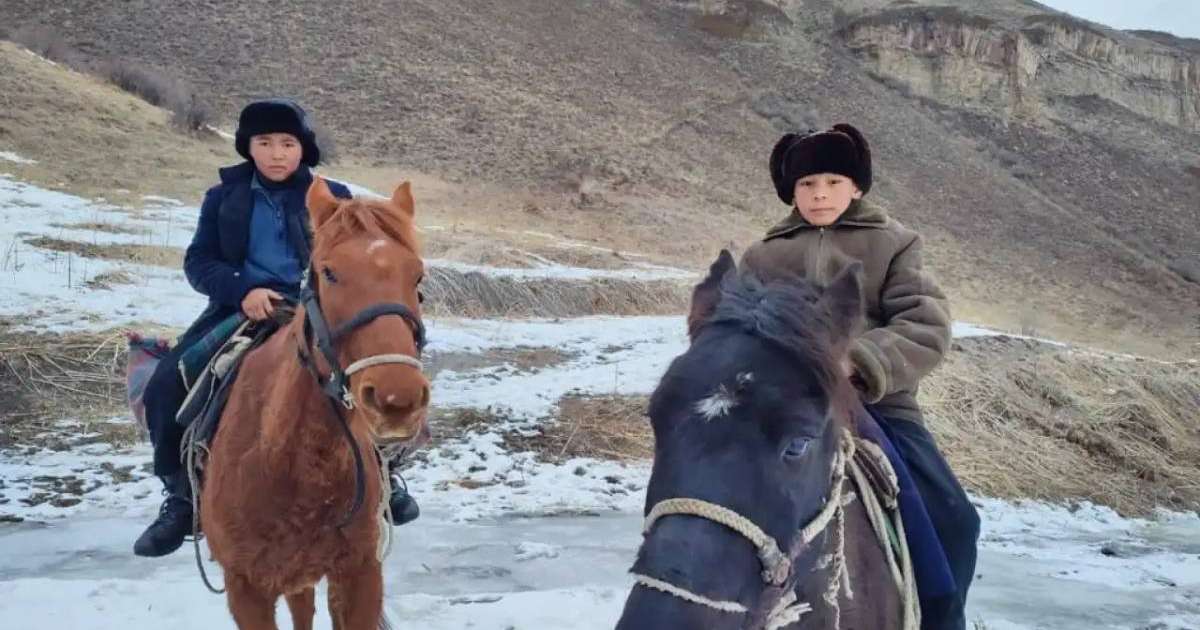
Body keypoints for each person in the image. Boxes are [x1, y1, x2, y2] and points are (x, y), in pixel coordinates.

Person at [134, 99, 420, 558]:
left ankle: (383, 471)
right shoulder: (223, 197)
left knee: (376, 372)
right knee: (166, 385)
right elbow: (199, 262)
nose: (276, 153)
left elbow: (357, 261)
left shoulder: (332, 196)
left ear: (302, 148)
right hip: (242, 309)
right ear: (248, 147)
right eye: (264, 143)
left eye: (287, 143)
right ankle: (181, 498)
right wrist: (242, 289)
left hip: (318, 311)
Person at [740, 124, 981, 630]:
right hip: (781, 405)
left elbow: (925, 323)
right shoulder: (762, 257)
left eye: (832, 181)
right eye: (807, 184)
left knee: (954, 519)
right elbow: (736, 326)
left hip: (877, 404)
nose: (819, 193)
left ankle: (941, 619)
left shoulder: (894, 244)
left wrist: (859, 361)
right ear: (791, 191)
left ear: (856, 187)